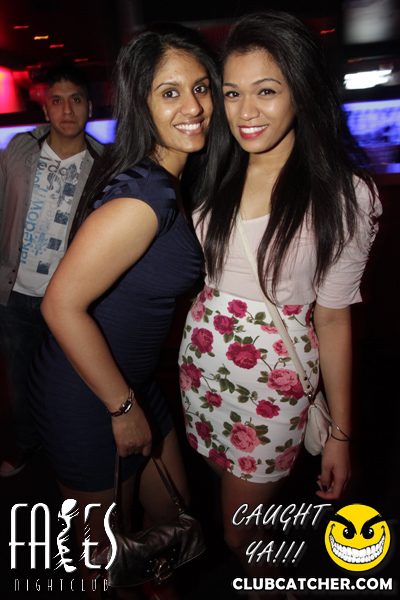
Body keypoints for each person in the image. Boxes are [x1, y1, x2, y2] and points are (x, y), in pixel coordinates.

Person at [179, 11, 382, 598]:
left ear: (301, 90)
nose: (246, 112)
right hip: (202, 368)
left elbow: (334, 316)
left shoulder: (344, 195)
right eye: (232, 93)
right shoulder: (209, 170)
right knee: (226, 488)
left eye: (266, 91)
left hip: (271, 384)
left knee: (239, 532)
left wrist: (340, 432)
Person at [28, 24, 222, 600]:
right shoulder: (146, 196)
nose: (194, 106)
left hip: (131, 382)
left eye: (202, 87)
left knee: (170, 524)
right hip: (89, 394)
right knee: (103, 562)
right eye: (170, 92)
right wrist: (121, 406)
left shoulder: (166, 179)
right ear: (142, 101)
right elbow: (60, 305)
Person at [0, 64, 103, 477]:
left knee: (76, 380)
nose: (67, 110)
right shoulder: (20, 149)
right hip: (14, 293)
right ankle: (28, 444)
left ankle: (76, 451)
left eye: (75, 99)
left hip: (69, 298)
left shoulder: (105, 165)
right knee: (20, 380)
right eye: (57, 101)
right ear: (45, 109)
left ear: (89, 107)